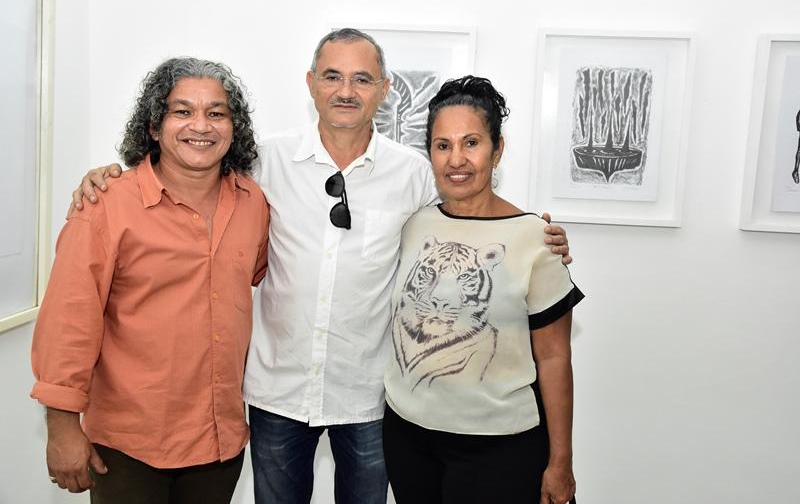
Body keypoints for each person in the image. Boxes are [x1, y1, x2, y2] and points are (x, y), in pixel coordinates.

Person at [68, 29, 572, 504]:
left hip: (368, 394)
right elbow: (184, 167)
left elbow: (466, 215)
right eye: (332, 76)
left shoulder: (414, 175)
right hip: (277, 390)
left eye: (362, 79)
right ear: (311, 83)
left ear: (384, 90)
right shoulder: (263, 162)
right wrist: (112, 176)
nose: (345, 91)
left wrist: (535, 233)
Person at [31, 57, 270, 504]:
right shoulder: (106, 205)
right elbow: (69, 320)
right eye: (182, 111)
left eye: (216, 113)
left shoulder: (252, 202)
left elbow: (258, 277)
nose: (201, 125)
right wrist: (61, 426)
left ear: (233, 128)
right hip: (129, 447)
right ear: (155, 127)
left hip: (219, 442)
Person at [382, 76, 583, 504]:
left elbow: (554, 357)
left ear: (497, 150)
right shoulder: (413, 224)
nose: (456, 159)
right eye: (443, 145)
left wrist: (561, 462)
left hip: (499, 447)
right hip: (407, 437)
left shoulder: (535, 238)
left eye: (471, 143)